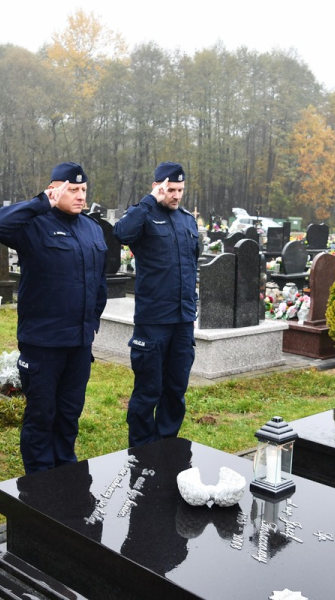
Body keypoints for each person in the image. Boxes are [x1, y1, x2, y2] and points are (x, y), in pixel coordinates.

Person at [0, 162, 107, 474]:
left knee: (69, 413)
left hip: (78, 343)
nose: (80, 196)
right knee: (41, 415)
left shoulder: (92, 228)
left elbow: (98, 283)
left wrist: (92, 323)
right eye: (72, 190)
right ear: (55, 190)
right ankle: (40, 482)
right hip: (43, 342)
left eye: (83, 190)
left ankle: (65, 471)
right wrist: (43, 202)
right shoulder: (34, 225)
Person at [113, 162, 199, 447]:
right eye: (171, 189)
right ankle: (140, 449)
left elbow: (191, 263)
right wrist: (151, 200)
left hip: (183, 320)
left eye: (180, 190)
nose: (176, 195)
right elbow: (121, 233)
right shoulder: (145, 214)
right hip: (153, 320)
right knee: (148, 390)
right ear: (158, 186)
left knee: (175, 390)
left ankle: (166, 446)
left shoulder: (187, 220)